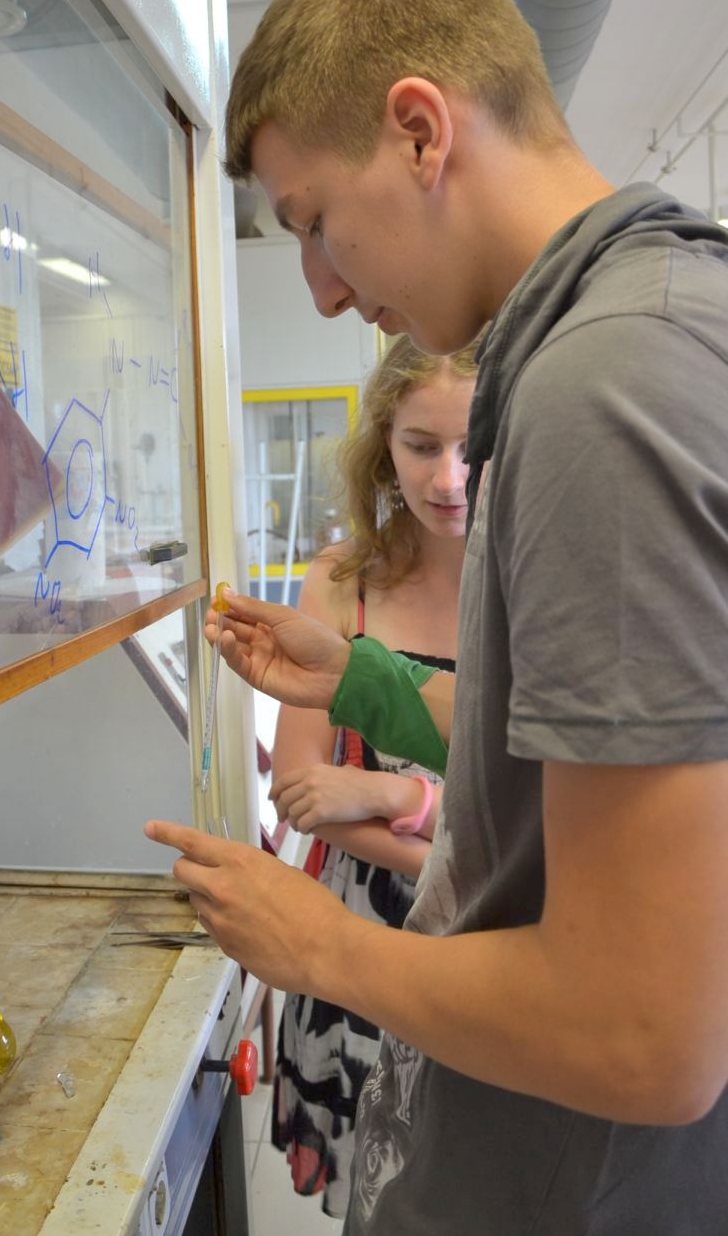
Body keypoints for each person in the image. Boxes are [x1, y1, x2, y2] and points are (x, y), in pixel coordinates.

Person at [146, 0, 728, 1236]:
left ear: (419, 130)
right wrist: (360, 679)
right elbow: (592, 749)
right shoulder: (654, 320)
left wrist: (316, 942)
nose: (322, 286)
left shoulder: (602, 385)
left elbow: (645, 1032)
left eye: (311, 221)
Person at [270, 333, 475, 1217]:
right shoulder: (341, 579)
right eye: (422, 446)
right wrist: (446, 842)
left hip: (485, 939)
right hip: (363, 938)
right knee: (374, 1195)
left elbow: (552, 809)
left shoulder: (538, 577)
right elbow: (299, 791)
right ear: (382, 445)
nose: (449, 479)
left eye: (473, 446)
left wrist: (392, 794)